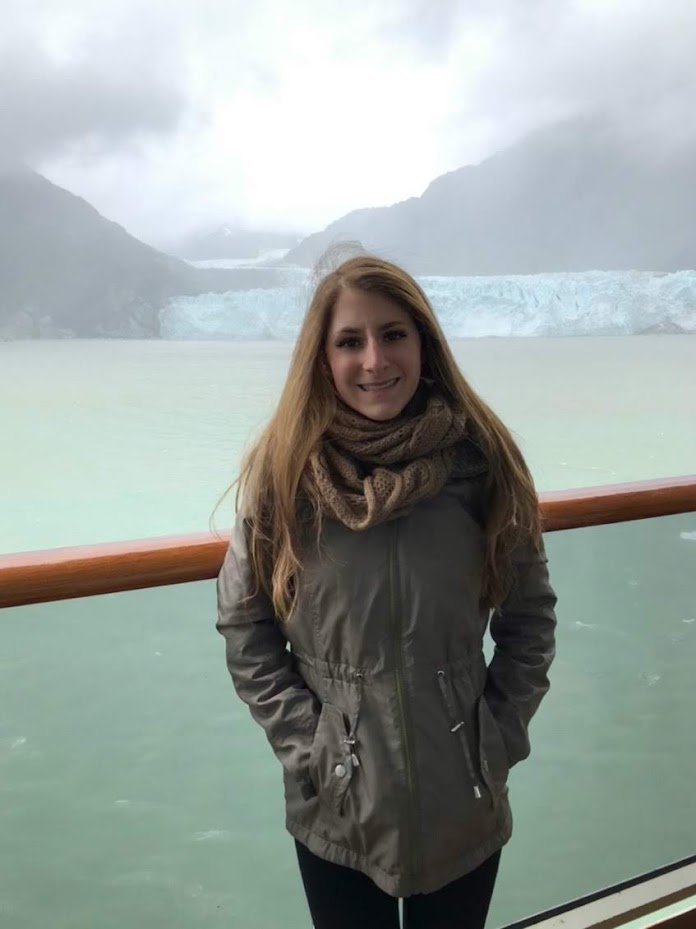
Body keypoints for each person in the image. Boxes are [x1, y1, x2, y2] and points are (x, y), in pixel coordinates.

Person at [216, 254, 557, 929]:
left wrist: (496, 738)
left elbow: (530, 618)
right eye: (350, 340)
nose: (375, 359)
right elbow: (244, 624)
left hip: (463, 792)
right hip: (336, 805)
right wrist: (312, 747)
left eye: (393, 333)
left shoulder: (482, 461)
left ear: (423, 343)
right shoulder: (286, 476)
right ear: (323, 358)